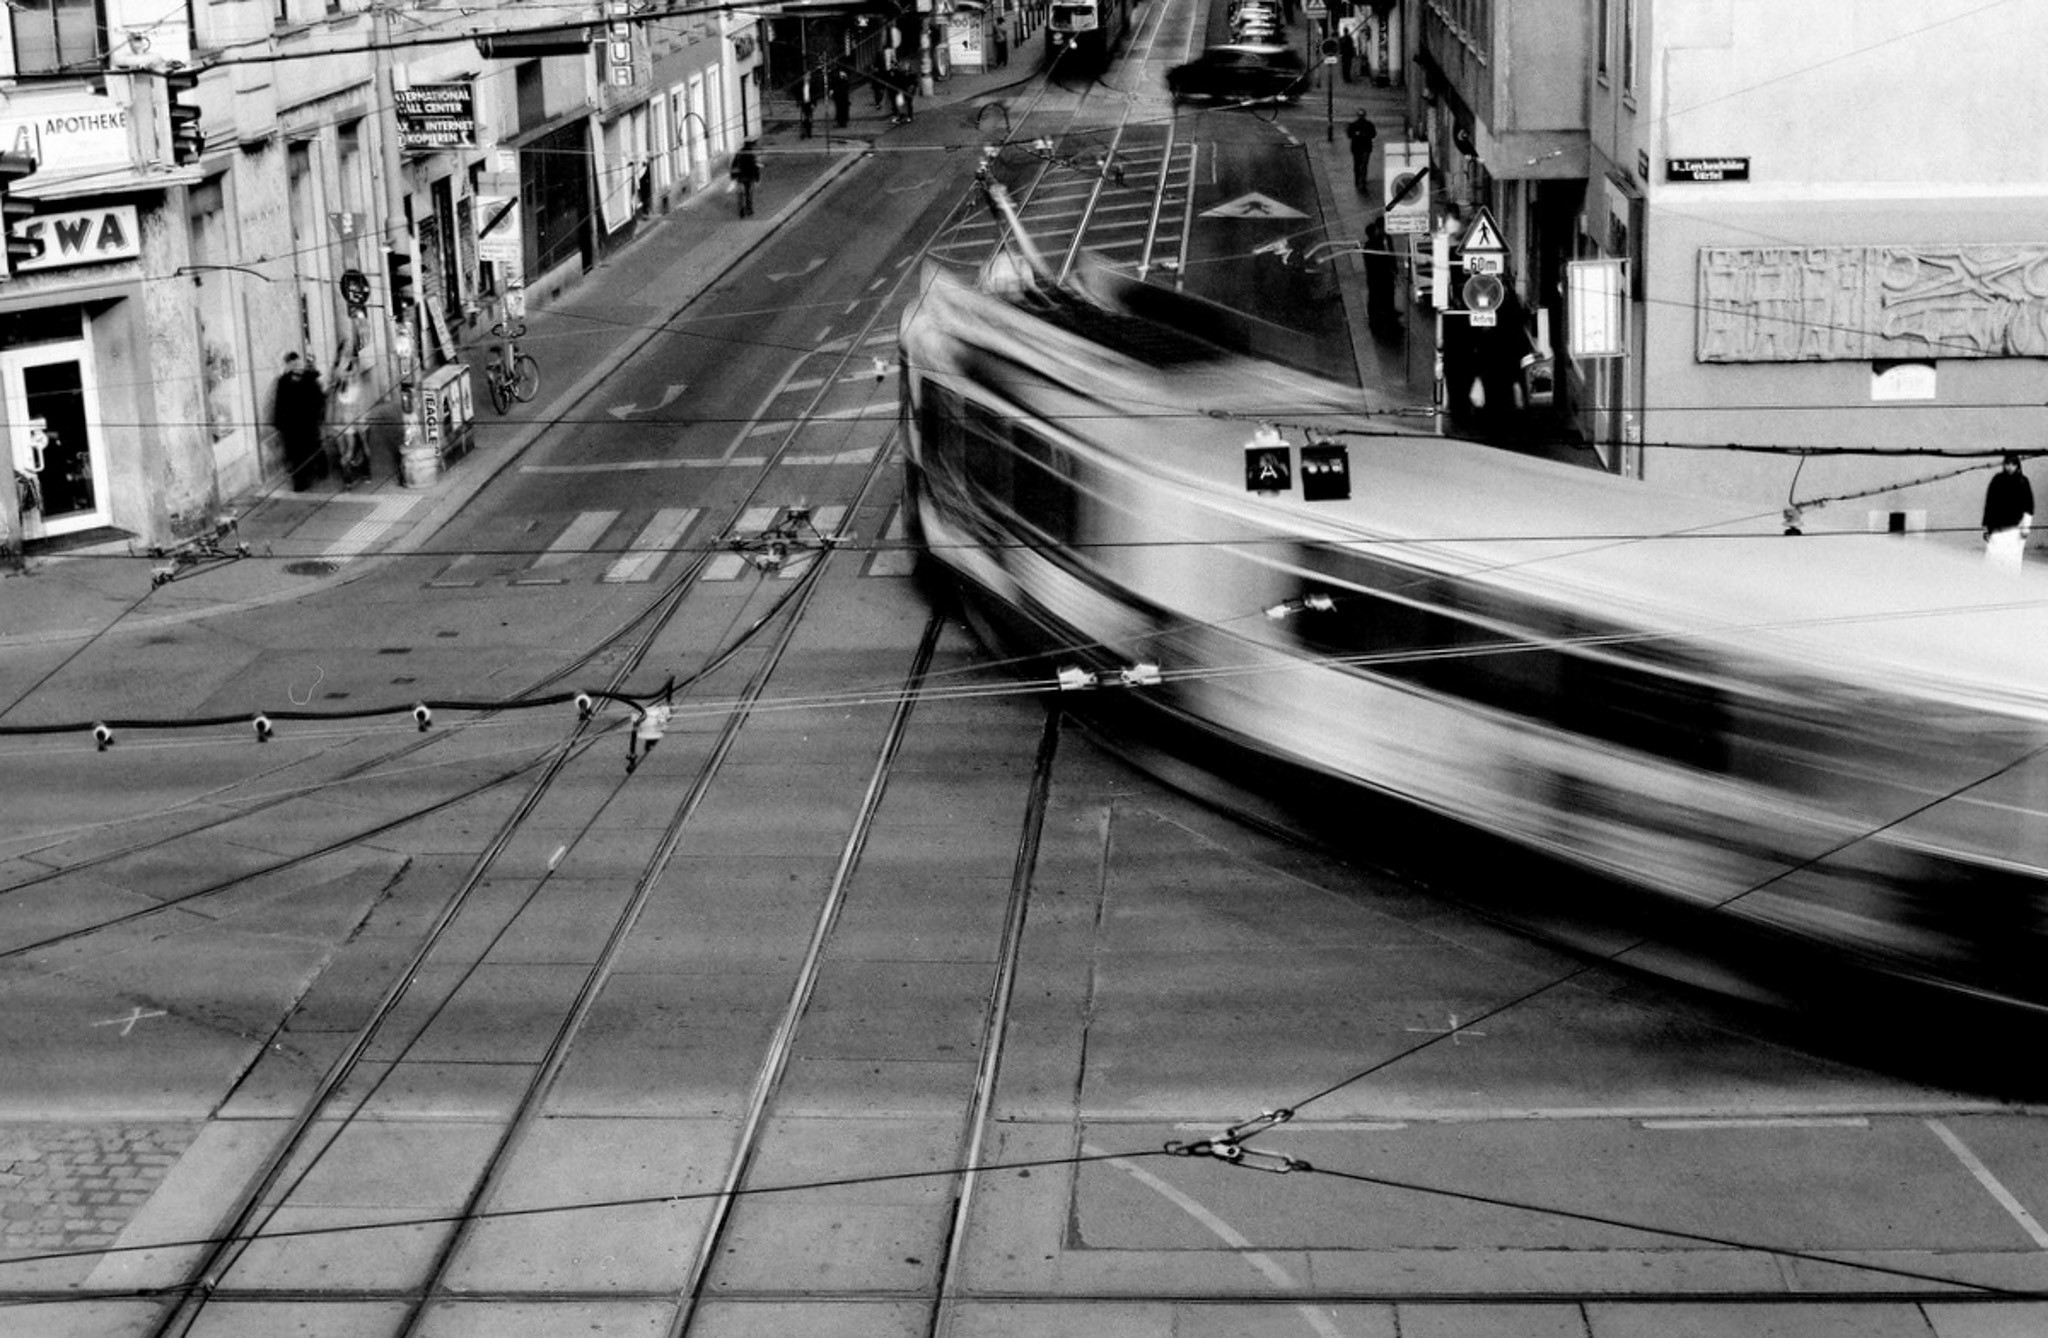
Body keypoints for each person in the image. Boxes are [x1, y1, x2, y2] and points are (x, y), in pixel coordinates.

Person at [274, 351, 328, 491]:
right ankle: (300, 482)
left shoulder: (309, 378)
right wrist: (279, 424)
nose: (296, 366)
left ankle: (322, 468)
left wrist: (318, 417)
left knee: (313, 447)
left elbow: (319, 399)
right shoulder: (283, 381)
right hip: (292, 425)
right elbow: (279, 403)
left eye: (297, 363)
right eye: (292, 364)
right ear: (288, 365)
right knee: (295, 454)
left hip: (308, 422)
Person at [1983, 453, 2034, 571]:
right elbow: (1990, 505)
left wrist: (2025, 527)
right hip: (1997, 529)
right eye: (2007, 464)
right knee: (1993, 562)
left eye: (2013, 464)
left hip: (2015, 530)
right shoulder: (1997, 480)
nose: (2010, 467)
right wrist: (1987, 528)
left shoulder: (2023, 481)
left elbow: (2028, 507)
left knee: (2011, 562)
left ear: (2017, 465)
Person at [329, 350, 370, 487]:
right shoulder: (352, 387)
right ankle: (358, 473)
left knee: (347, 450)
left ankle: (349, 476)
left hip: (341, 423)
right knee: (353, 448)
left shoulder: (338, 388)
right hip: (348, 424)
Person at [1345, 110, 1377, 195]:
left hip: (1359, 148)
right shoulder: (1367, 124)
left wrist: (1358, 135)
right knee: (1361, 165)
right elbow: (1373, 134)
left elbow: (1373, 134)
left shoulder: (1355, 125)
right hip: (1363, 148)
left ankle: (1360, 181)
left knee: (1360, 165)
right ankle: (1360, 180)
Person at [730, 141, 761, 217]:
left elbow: (733, 164)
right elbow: (755, 166)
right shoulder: (751, 154)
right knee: (748, 193)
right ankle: (749, 209)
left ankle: (741, 210)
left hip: (740, 177)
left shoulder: (739, 153)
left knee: (740, 193)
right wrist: (757, 178)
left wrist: (733, 176)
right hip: (749, 177)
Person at [797, 70, 815, 139]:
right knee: (803, 118)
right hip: (803, 103)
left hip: (809, 104)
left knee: (809, 119)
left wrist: (813, 103)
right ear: (804, 76)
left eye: (809, 75)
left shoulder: (812, 84)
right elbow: (798, 94)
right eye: (807, 75)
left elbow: (814, 95)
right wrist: (798, 102)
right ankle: (803, 133)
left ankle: (809, 133)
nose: (808, 77)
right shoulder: (801, 84)